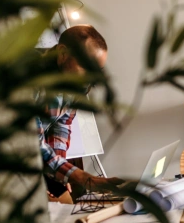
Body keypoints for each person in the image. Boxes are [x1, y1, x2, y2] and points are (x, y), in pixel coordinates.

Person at [38, 25, 121, 198]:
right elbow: (32, 142)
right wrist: (78, 175)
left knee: (65, 203)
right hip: (10, 164)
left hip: (41, 161)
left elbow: (61, 125)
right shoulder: (32, 82)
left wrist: (59, 175)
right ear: (62, 54)